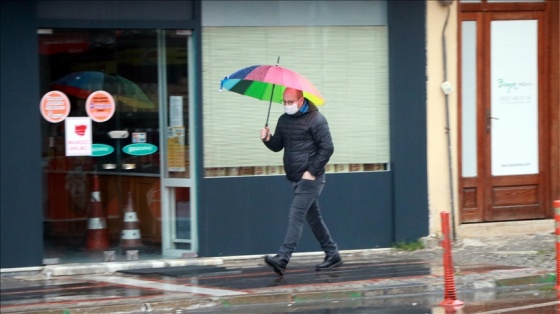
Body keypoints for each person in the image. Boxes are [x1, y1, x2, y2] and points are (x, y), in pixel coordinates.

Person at [260, 87, 342, 276]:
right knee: (314, 219)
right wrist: (268, 138)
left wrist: (311, 171)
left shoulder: (316, 119)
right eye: (284, 102)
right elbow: (278, 146)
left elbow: (327, 148)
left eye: (290, 102)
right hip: (295, 177)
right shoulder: (284, 119)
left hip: (311, 178)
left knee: (296, 214)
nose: (287, 106)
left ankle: (283, 258)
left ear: (300, 100)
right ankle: (332, 253)